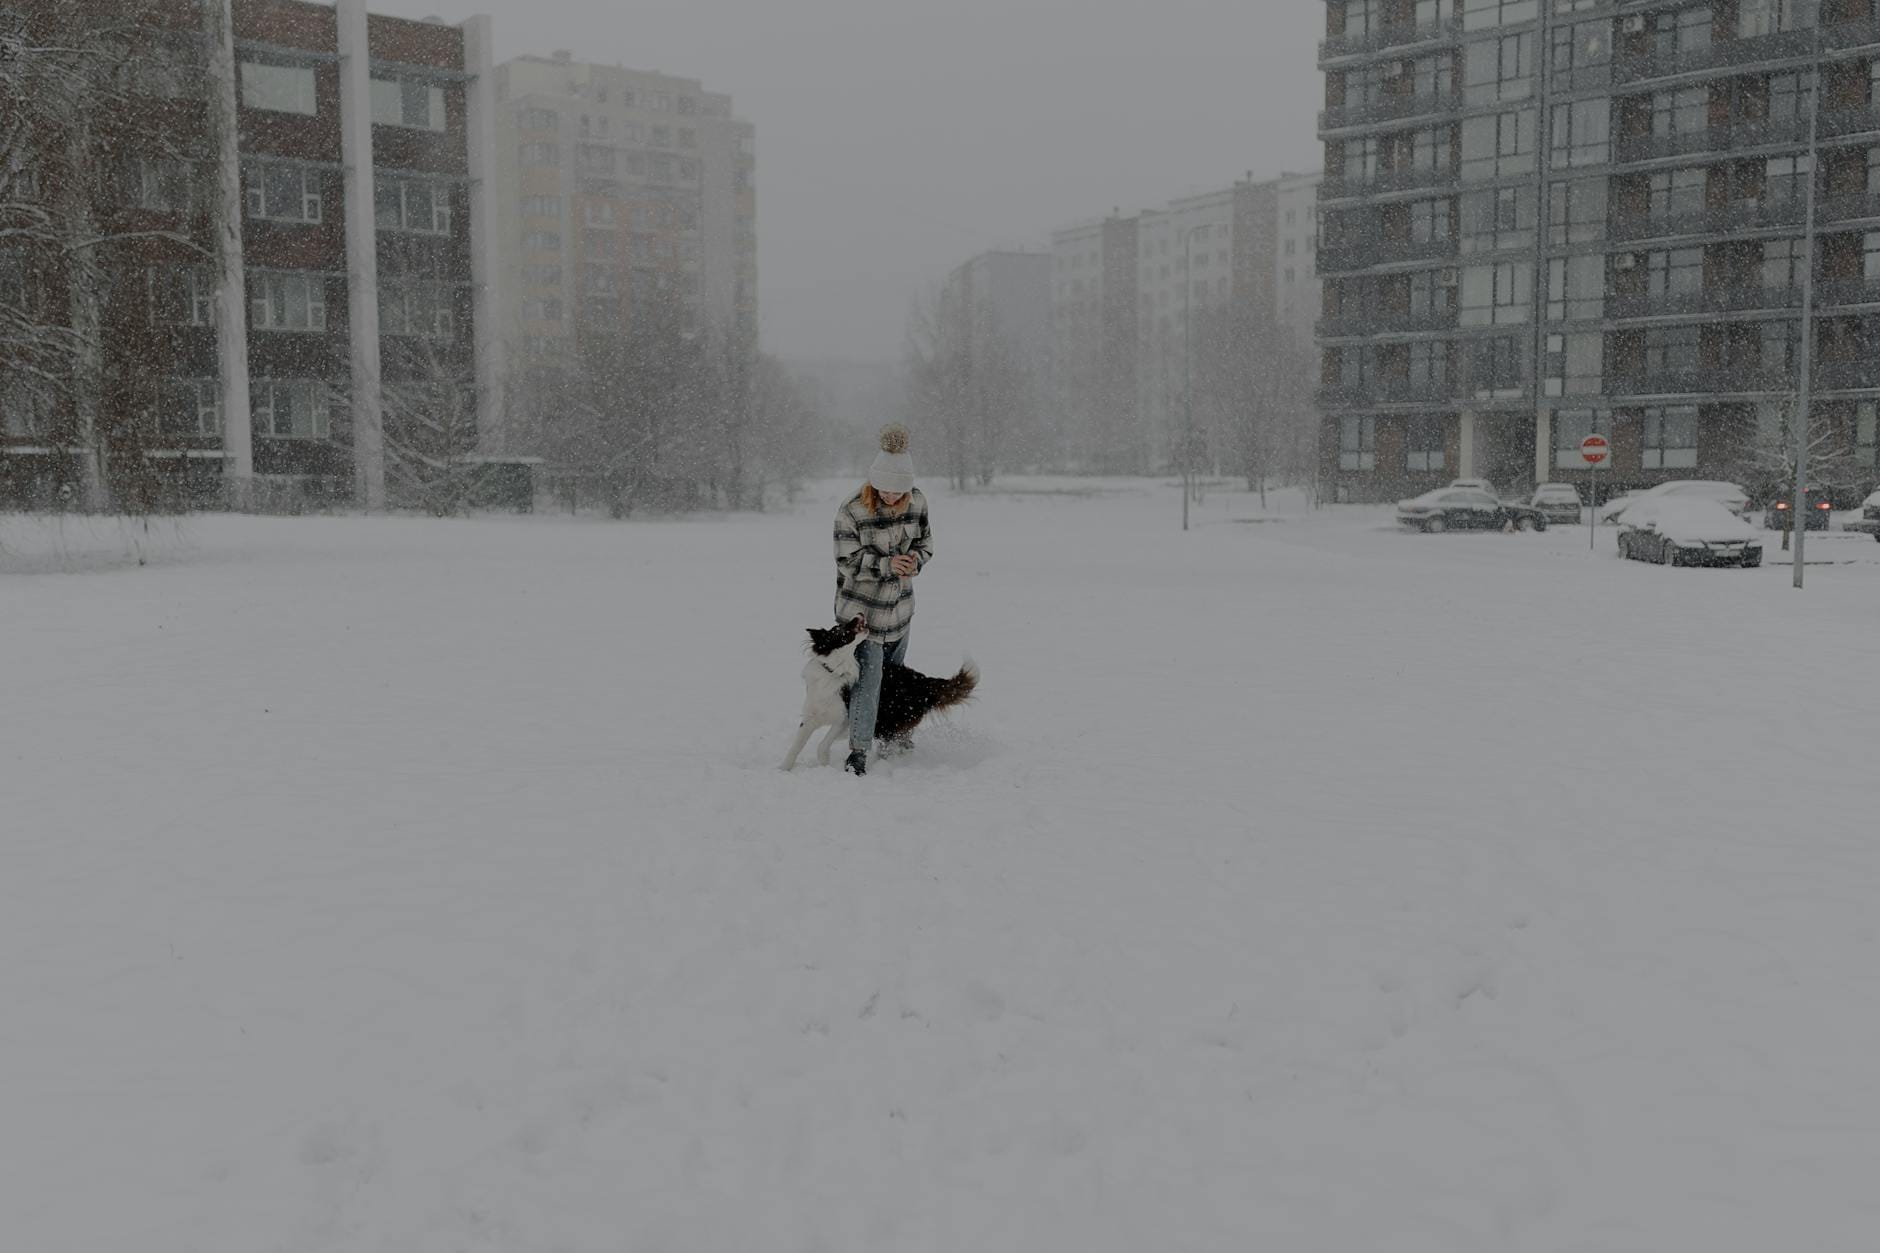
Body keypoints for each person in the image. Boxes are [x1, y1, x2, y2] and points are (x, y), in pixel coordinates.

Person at [833, 423, 933, 777]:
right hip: (862, 616)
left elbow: (925, 544)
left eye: (898, 491)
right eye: (884, 490)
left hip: (901, 610)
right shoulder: (851, 509)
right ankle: (858, 751)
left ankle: (892, 736)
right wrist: (887, 564)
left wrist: (915, 562)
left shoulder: (918, 501)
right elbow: (846, 561)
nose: (891, 496)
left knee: (893, 681)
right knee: (867, 682)